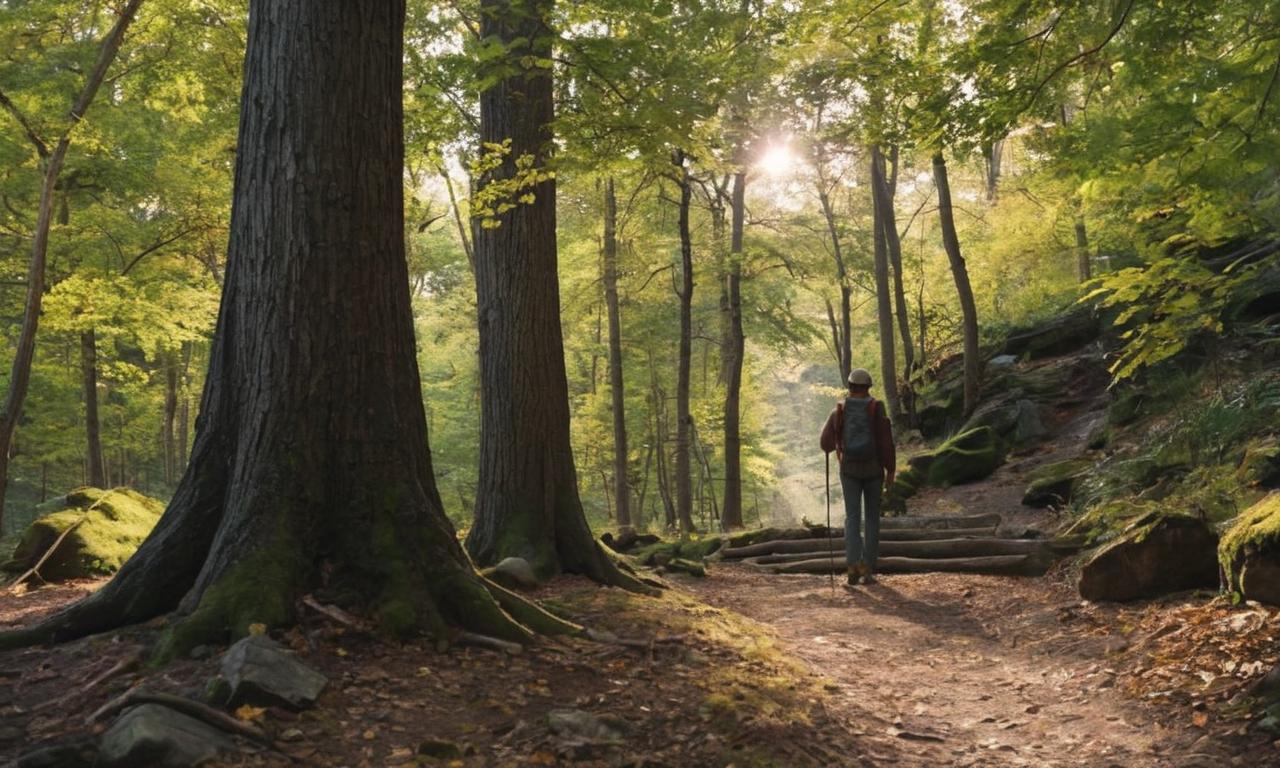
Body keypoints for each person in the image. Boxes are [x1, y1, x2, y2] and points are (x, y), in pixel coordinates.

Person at [819, 368, 896, 586]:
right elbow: (885, 442)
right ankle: (868, 570)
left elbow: (824, 445)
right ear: (868, 387)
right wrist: (890, 471)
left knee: (852, 518)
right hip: (874, 470)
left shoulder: (840, 410)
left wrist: (835, 432)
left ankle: (852, 567)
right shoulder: (876, 408)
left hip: (849, 471)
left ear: (850, 387)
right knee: (872, 519)